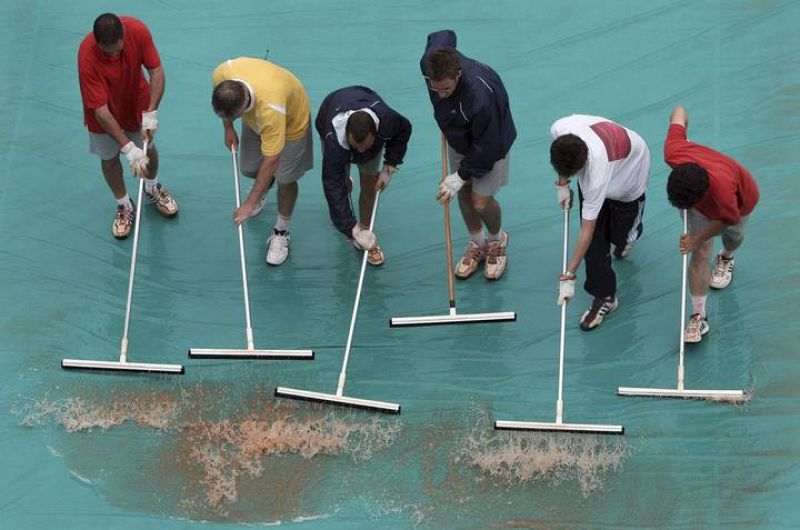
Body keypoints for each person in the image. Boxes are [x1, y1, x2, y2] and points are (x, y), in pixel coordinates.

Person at [420, 30, 516, 280]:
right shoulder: (430, 63)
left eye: (446, 89)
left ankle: (496, 241)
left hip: (491, 142)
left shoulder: (479, 99)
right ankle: (478, 244)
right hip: (458, 134)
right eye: (435, 88)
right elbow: (444, 34)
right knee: (463, 193)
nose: (440, 94)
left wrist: (460, 175)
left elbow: (488, 146)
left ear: (458, 74)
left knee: (480, 201)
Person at [78, 13, 178, 240]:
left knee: (148, 149)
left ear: (124, 37)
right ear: (96, 42)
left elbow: (156, 71)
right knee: (109, 158)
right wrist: (128, 148)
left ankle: (152, 187)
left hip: (136, 103)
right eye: (107, 52)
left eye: (117, 50)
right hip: (102, 115)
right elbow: (100, 109)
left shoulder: (138, 31)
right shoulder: (86, 56)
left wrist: (151, 112)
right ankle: (124, 205)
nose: (113, 55)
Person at [664, 105, 759, 343]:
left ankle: (726, 256)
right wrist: (697, 242)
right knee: (699, 254)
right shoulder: (673, 152)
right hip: (699, 200)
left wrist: (696, 238)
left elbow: (729, 218)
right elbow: (679, 111)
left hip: (740, 201)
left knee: (733, 237)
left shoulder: (723, 192)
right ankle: (699, 316)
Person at [550, 115, 650, 330]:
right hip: (602, 167)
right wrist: (562, 184)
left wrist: (569, 275)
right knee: (596, 245)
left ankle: (630, 235)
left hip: (627, 180)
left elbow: (586, 230)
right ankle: (605, 296)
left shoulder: (595, 176)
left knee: (619, 237)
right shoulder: (560, 129)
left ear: (583, 163)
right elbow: (591, 236)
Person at [211, 57, 313, 266]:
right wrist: (228, 128)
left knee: (285, 178)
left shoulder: (271, 110)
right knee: (249, 168)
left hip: (292, 122)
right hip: (258, 116)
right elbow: (226, 112)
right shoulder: (222, 73)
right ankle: (265, 186)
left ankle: (281, 231)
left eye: (234, 118)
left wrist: (248, 204)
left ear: (243, 107)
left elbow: (272, 160)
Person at [315, 86, 412, 266]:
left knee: (370, 185)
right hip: (327, 112)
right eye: (355, 146)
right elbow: (332, 187)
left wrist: (390, 166)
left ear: (376, 134)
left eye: (365, 146)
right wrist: (350, 229)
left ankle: (366, 232)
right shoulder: (334, 144)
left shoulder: (387, 119)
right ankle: (357, 231)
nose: (360, 152)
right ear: (347, 135)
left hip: (364, 97)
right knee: (340, 183)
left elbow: (403, 131)